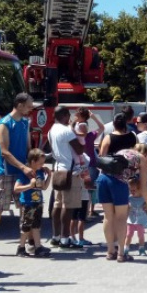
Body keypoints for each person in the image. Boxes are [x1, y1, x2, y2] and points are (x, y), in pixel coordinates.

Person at [0, 93, 34, 258]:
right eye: (29, 105)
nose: (31, 108)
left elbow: (28, 148)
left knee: (26, 207)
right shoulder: (4, 124)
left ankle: (29, 243)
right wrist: (23, 167)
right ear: (19, 105)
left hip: (21, 171)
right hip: (4, 172)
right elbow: (4, 152)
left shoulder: (25, 123)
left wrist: (35, 165)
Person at [97, 146, 147, 262]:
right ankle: (121, 254)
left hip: (102, 179)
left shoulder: (120, 151)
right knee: (121, 217)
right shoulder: (141, 158)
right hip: (118, 182)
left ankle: (110, 251)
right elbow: (144, 186)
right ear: (146, 154)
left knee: (108, 216)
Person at [48, 106, 85, 249]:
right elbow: (79, 149)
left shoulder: (51, 130)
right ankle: (65, 239)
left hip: (57, 169)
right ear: (64, 115)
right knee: (67, 205)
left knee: (57, 204)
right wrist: (80, 136)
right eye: (68, 115)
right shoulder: (67, 131)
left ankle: (55, 237)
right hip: (69, 171)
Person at [13, 149, 53, 258]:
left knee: (36, 226)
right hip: (28, 204)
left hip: (38, 203)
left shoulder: (40, 172)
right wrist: (29, 186)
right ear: (33, 161)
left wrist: (49, 176)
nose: (42, 165)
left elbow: (44, 187)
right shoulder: (25, 173)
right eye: (40, 163)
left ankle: (38, 247)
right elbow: (16, 189)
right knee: (26, 226)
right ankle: (21, 248)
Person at [125, 178, 147, 256]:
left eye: (134, 190)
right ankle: (126, 249)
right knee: (128, 235)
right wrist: (127, 207)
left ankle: (141, 249)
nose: (132, 192)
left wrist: (146, 204)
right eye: (130, 190)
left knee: (141, 235)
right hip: (131, 220)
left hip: (140, 221)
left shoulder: (143, 198)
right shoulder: (129, 198)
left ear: (139, 189)